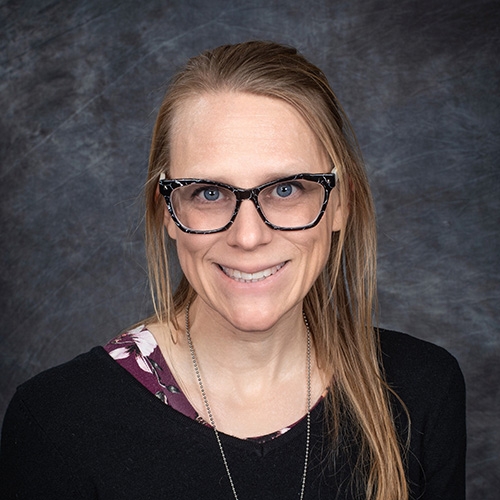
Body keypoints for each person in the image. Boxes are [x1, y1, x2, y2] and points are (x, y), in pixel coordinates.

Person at [0, 41, 465, 500]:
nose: (248, 237)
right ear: (167, 209)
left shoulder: (420, 390)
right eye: (208, 193)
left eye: (286, 190)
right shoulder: (57, 419)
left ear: (338, 203)